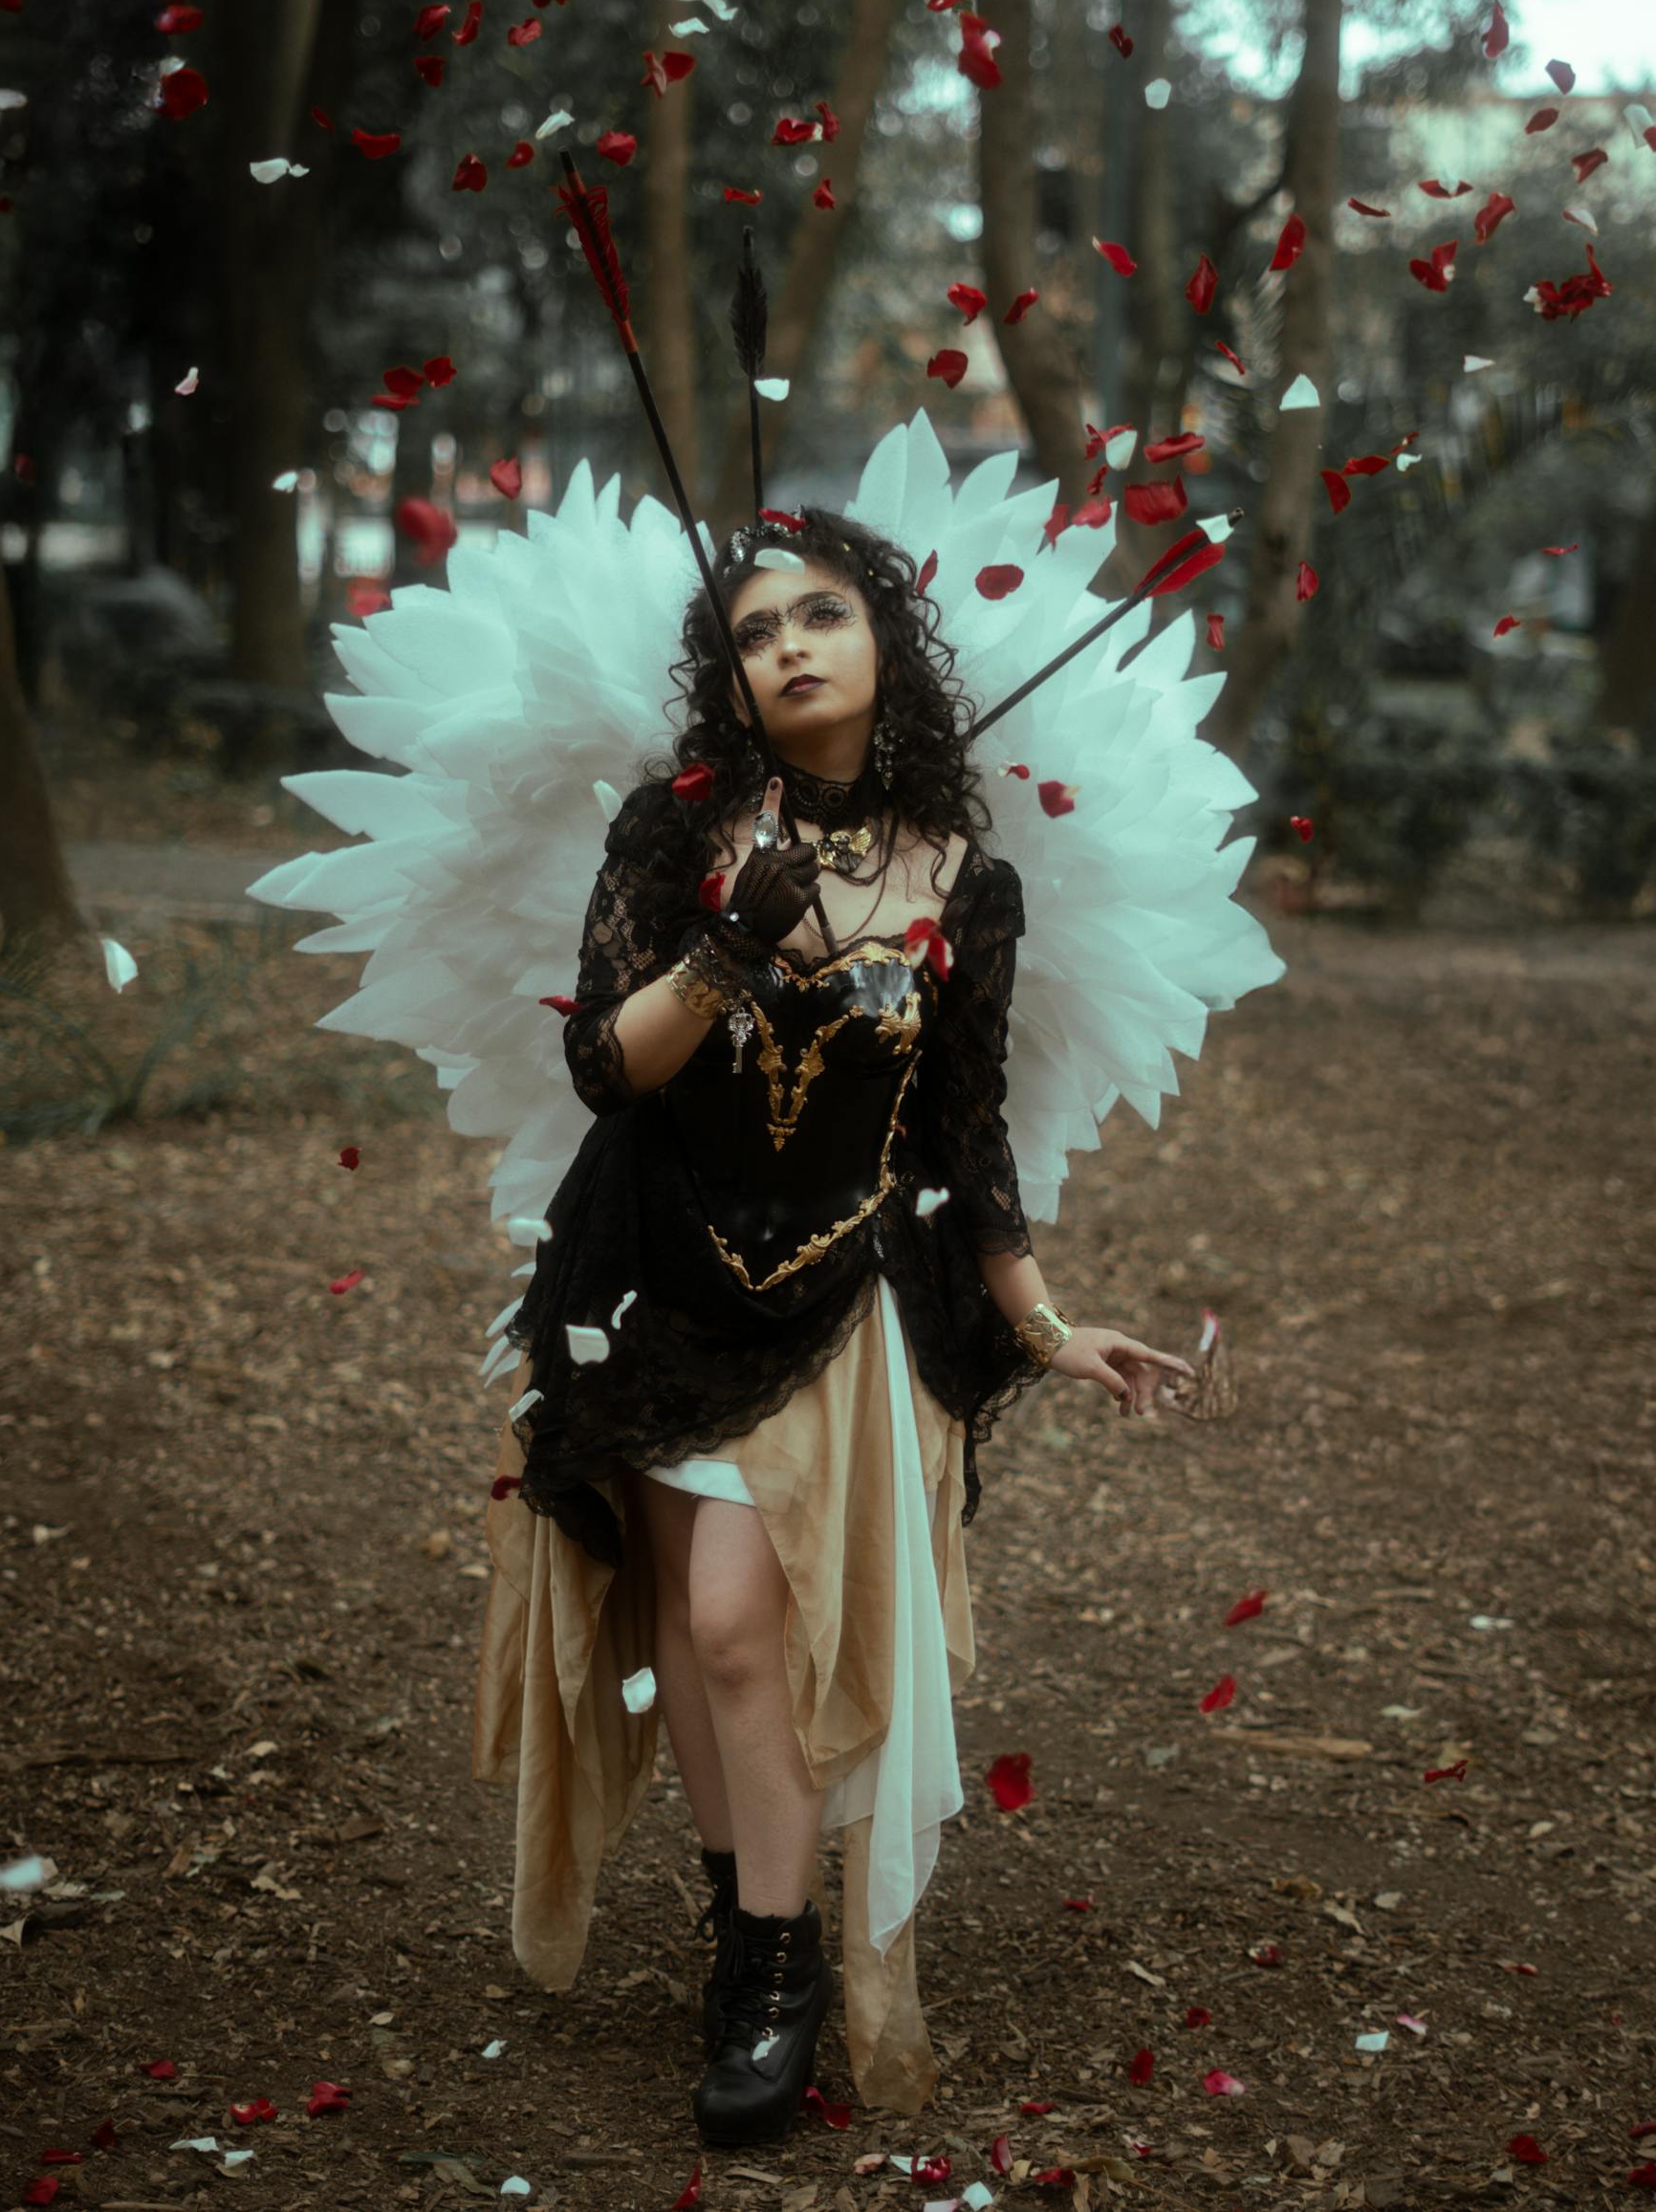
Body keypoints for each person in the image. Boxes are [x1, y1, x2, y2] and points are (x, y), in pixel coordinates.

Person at [470, 503, 1203, 2151]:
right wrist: (732, 936)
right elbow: (608, 1066)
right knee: (685, 1624)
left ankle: (777, 1972)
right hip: (656, 1277)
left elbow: (965, 1129)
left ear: (886, 643)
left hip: (838, 1291)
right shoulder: (677, 836)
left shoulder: (968, 882)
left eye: (822, 613)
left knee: (740, 1624)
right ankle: (750, 1931)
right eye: (753, 630)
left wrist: (1047, 1323)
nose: (789, 644)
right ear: (729, 680)